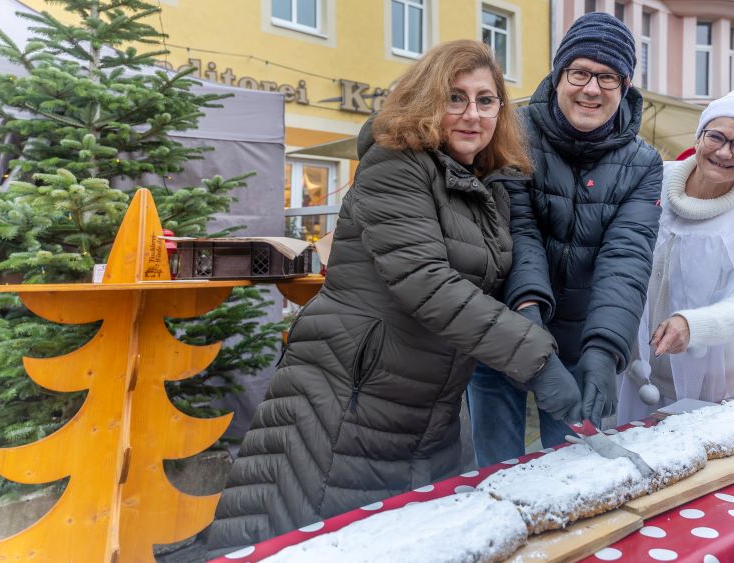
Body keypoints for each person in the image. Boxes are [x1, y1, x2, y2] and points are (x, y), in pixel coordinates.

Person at [205, 40, 581, 555]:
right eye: (455, 98)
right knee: (314, 543)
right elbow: (424, 278)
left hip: (429, 411)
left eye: (486, 100)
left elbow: (493, 274)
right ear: (427, 100)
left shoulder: (483, 184)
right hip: (348, 401)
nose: (472, 114)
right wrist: (537, 361)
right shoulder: (396, 164)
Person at [466, 12, 664, 466]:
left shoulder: (643, 162)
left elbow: (627, 254)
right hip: (504, 328)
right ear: (559, 75)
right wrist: (528, 316)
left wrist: (605, 347)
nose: (591, 88)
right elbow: (517, 229)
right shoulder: (510, 130)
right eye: (579, 72)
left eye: (607, 76)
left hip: (580, 341)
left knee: (575, 467)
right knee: (495, 471)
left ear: (625, 84)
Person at [615, 82, 734, 424]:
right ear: (699, 137)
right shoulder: (650, 182)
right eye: (716, 137)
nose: (724, 152)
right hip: (632, 374)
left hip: (708, 387)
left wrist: (693, 324)